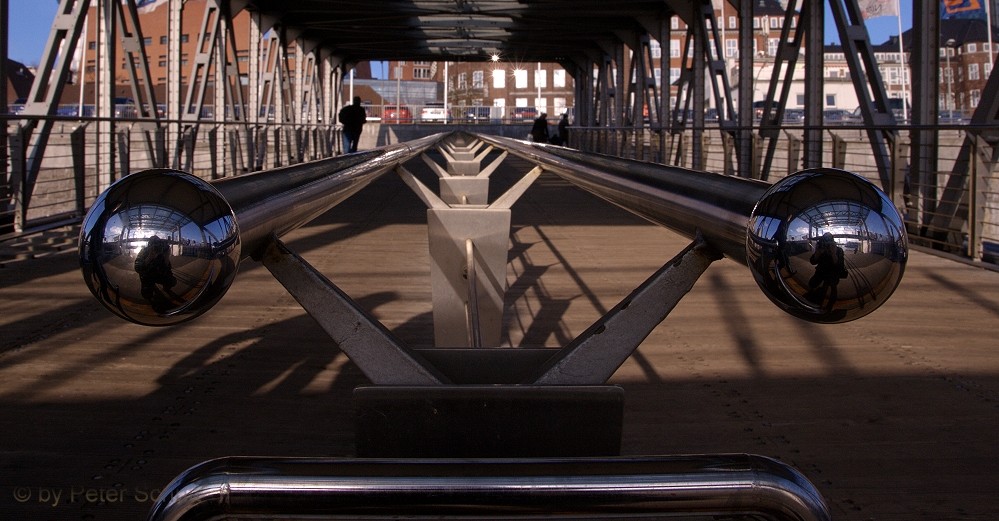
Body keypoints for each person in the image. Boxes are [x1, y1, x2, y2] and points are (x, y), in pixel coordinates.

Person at [807, 232, 847, 310]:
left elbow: (840, 266)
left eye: (829, 240)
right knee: (812, 284)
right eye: (825, 240)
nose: (827, 243)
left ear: (833, 241)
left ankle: (830, 306)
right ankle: (811, 297)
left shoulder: (838, 250)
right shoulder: (822, 248)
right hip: (821, 272)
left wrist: (833, 253)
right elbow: (812, 262)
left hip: (833, 274)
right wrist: (817, 253)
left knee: (833, 288)